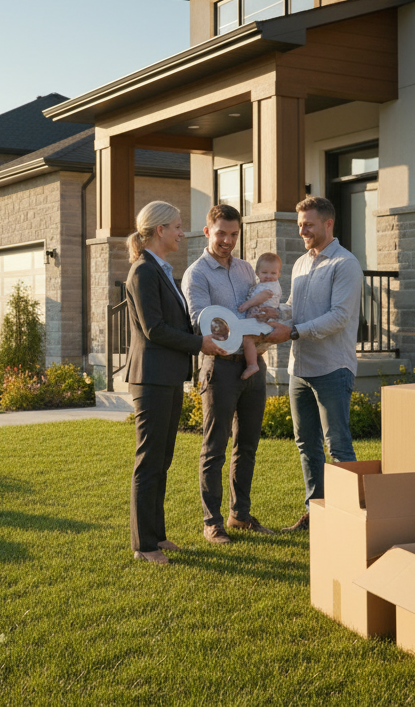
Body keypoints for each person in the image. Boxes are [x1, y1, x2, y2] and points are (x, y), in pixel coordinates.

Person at [125, 200, 228, 564]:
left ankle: (158, 536)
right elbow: (154, 329)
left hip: (166, 377)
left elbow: (175, 324)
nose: (182, 232)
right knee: (149, 461)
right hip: (150, 379)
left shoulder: (161, 270)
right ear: (159, 231)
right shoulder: (143, 272)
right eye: (178, 227)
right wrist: (199, 342)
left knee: (162, 459)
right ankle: (144, 545)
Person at [182, 204, 287, 544]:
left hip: (254, 366)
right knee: (215, 447)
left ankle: (239, 515)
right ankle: (212, 521)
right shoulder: (197, 274)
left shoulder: (246, 270)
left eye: (233, 234)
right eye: (221, 233)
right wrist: (245, 328)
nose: (227, 240)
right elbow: (204, 322)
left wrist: (273, 314)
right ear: (207, 232)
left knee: (248, 444)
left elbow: (263, 306)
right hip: (222, 368)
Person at [259, 196, 363, 532]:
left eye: (308, 224)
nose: (302, 230)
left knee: (338, 444)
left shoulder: (345, 264)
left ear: (328, 223)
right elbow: (295, 306)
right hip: (299, 369)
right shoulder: (302, 263)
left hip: (332, 367)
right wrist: (279, 313)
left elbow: (338, 317)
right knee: (306, 444)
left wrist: (292, 332)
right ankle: (316, 512)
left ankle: (351, 517)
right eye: (300, 224)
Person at [236, 253, 283, 381]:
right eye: (264, 272)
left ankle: (252, 365)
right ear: (257, 273)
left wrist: (246, 305)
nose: (269, 276)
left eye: (273, 273)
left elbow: (261, 297)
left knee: (248, 338)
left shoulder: (271, 286)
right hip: (258, 318)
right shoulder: (261, 283)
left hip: (263, 319)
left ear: (279, 274)